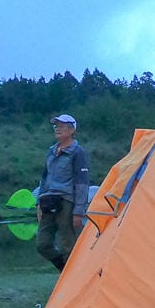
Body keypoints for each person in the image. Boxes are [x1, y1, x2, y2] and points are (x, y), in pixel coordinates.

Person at [36, 114, 90, 271]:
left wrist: (78, 211)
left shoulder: (78, 152)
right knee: (42, 244)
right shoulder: (51, 152)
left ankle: (72, 283)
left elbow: (82, 183)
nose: (57, 129)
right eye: (56, 126)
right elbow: (44, 179)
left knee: (68, 246)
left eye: (61, 126)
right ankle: (65, 270)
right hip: (48, 201)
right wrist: (39, 203)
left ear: (72, 129)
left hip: (66, 202)